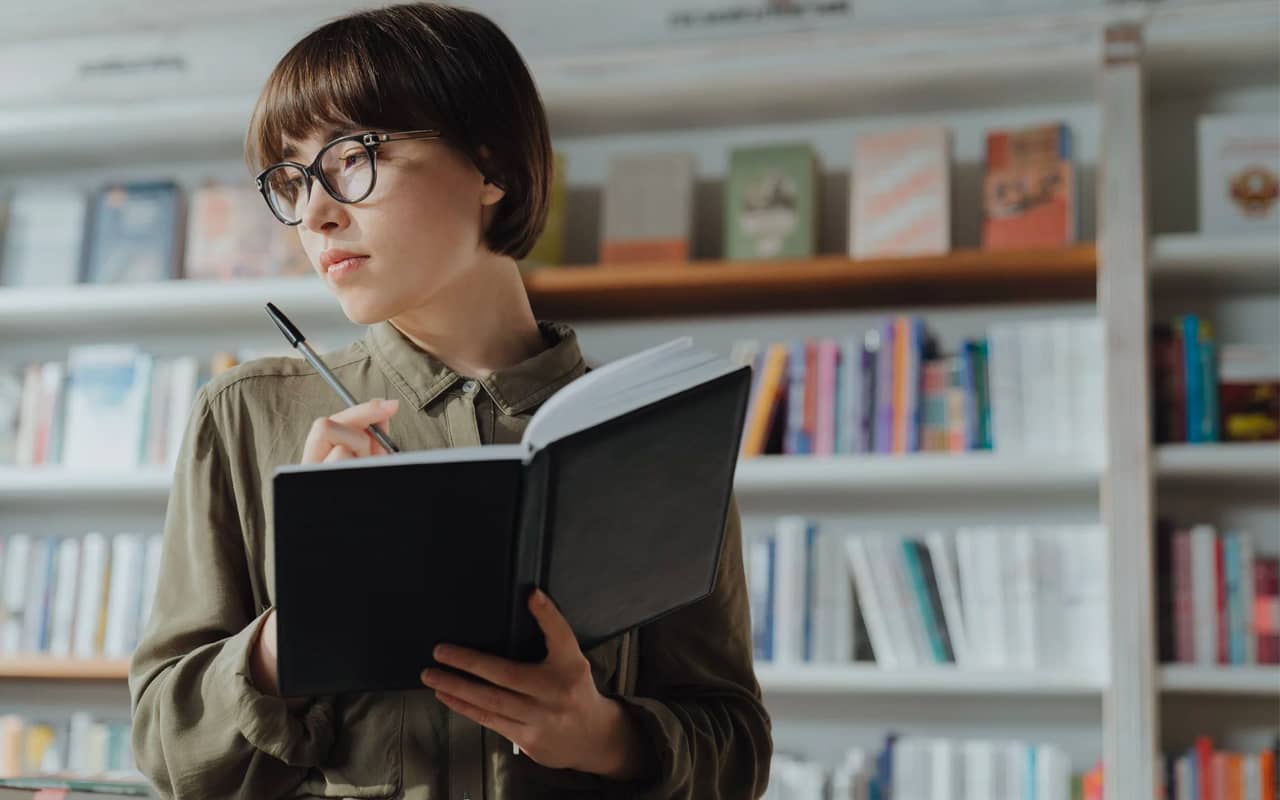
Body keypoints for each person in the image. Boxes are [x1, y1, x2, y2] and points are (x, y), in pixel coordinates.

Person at [127, 4, 772, 798]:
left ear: (490, 164)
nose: (315, 213)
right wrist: (297, 626)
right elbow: (169, 753)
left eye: (353, 156)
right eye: (291, 180)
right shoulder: (245, 415)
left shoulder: (652, 431)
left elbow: (738, 753)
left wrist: (603, 736)